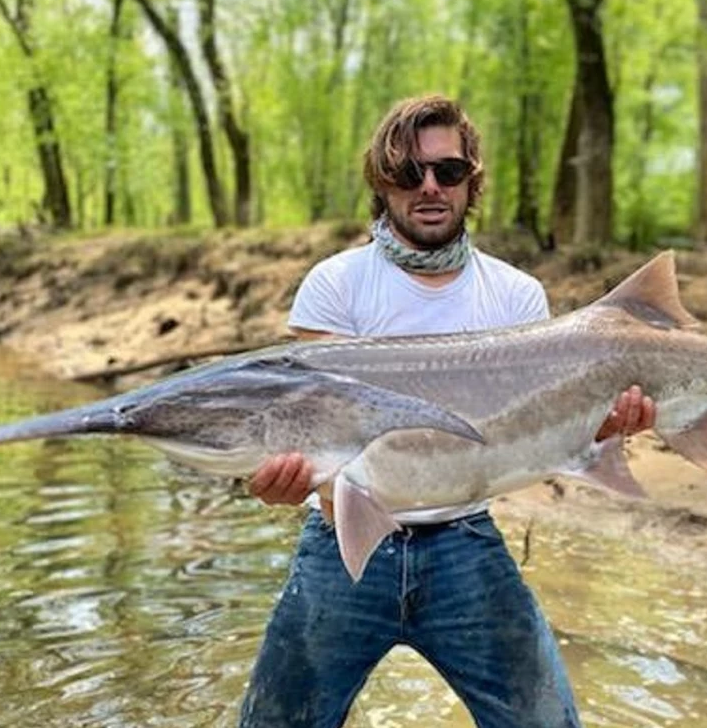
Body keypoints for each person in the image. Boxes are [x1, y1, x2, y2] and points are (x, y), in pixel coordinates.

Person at [239, 94, 655, 728]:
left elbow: (540, 429)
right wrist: (278, 485)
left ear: (471, 179)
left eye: (448, 171)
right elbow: (318, 435)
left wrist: (610, 421)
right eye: (408, 173)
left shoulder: (517, 296)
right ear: (382, 184)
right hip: (342, 549)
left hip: (466, 544)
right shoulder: (336, 284)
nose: (429, 187)